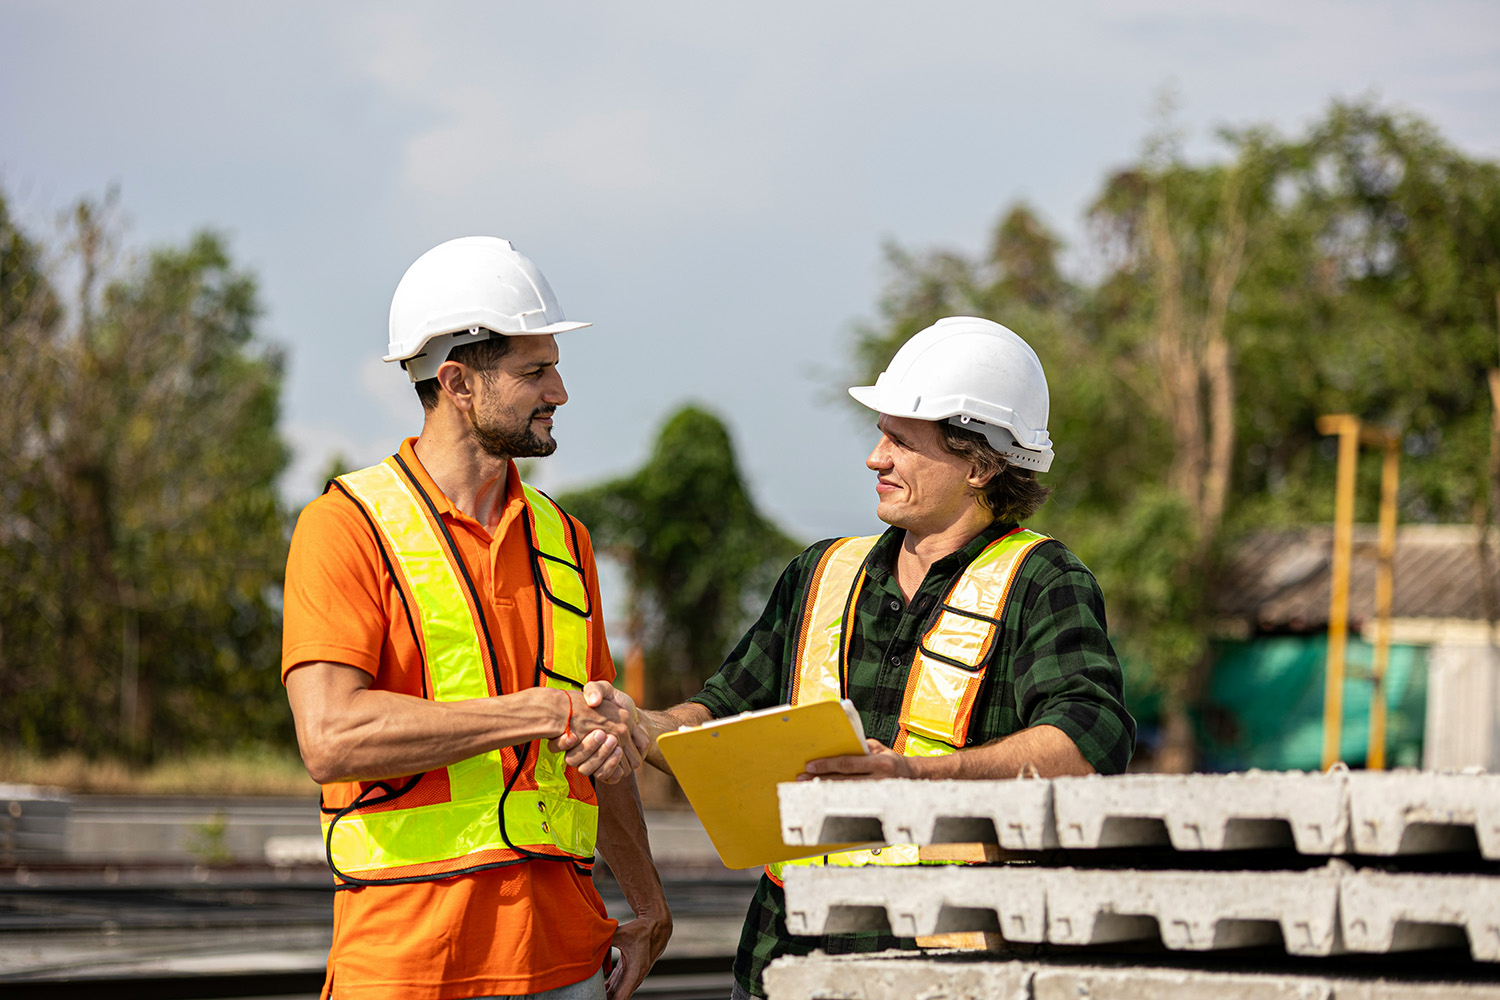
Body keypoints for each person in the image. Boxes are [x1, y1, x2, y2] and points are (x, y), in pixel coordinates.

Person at [568, 315, 1135, 999]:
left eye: (901, 440)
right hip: (787, 962)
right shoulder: (820, 575)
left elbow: (1089, 742)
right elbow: (717, 718)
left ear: (981, 465)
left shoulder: (1043, 582)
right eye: (880, 435)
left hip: (953, 971)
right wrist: (639, 724)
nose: (876, 458)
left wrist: (915, 777)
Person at [282, 236, 670, 1000]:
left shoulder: (565, 541)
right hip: (407, 969)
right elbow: (331, 737)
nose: (559, 391)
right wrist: (530, 712)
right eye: (535, 371)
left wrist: (649, 902)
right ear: (457, 382)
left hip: (568, 965)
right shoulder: (346, 526)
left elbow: (600, 743)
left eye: (554, 366)